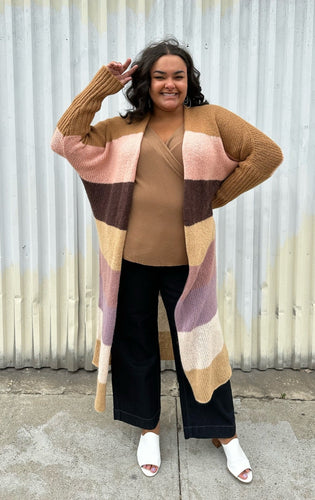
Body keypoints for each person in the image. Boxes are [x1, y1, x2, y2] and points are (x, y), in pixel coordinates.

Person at [51, 37, 283, 483]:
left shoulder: (211, 119)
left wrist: (214, 197)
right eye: (160, 75)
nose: (169, 83)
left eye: (178, 75)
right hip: (130, 258)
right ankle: (148, 428)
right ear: (145, 81)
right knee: (134, 344)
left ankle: (223, 432)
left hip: (188, 259)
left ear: (188, 80)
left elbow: (267, 154)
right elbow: (65, 139)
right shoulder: (122, 127)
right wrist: (101, 86)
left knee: (199, 342)